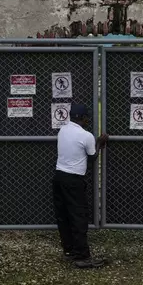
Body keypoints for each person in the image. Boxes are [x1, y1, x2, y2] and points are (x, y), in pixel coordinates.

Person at [53, 103, 108, 269]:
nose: (88, 120)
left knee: (63, 216)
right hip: (74, 179)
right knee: (78, 217)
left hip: (58, 177)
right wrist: (100, 142)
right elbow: (92, 158)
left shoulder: (63, 130)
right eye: (87, 118)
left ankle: (69, 250)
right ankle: (82, 256)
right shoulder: (86, 136)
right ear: (83, 118)